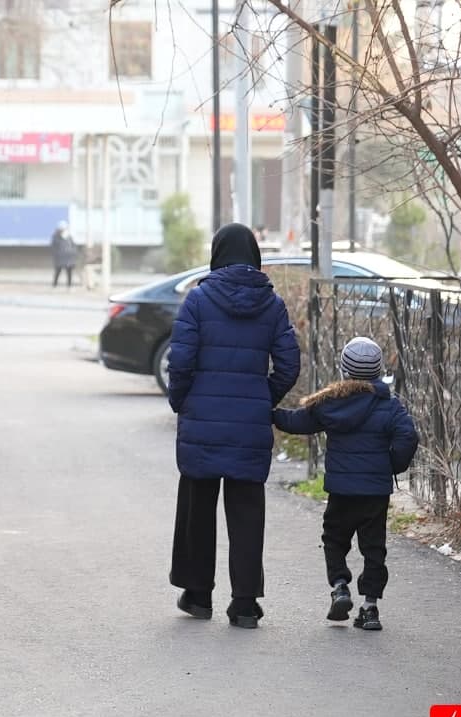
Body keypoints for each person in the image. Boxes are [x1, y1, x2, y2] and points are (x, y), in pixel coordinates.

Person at [168, 223, 300, 628]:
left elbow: (181, 360)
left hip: (202, 427)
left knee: (197, 510)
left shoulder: (198, 301)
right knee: (246, 515)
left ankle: (197, 595)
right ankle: (245, 603)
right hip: (248, 429)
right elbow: (290, 364)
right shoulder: (272, 305)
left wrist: (182, 402)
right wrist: (263, 399)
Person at [272, 337, 419, 631]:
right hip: (375, 493)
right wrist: (392, 466)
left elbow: (295, 422)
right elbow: (408, 437)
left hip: (341, 489)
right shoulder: (389, 406)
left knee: (334, 539)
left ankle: (340, 585)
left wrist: (266, 412)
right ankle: (370, 608)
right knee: (373, 547)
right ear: (378, 371)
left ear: (344, 370)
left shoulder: (329, 405)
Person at [50, 221, 77, 288]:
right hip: (60, 257)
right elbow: (54, 247)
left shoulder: (69, 236)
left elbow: (73, 245)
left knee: (69, 272)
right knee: (58, 271)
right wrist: (57, 254)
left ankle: (69, 285)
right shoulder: (56, 236)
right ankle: (54, 285)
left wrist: (73, 252)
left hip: (69, 257)